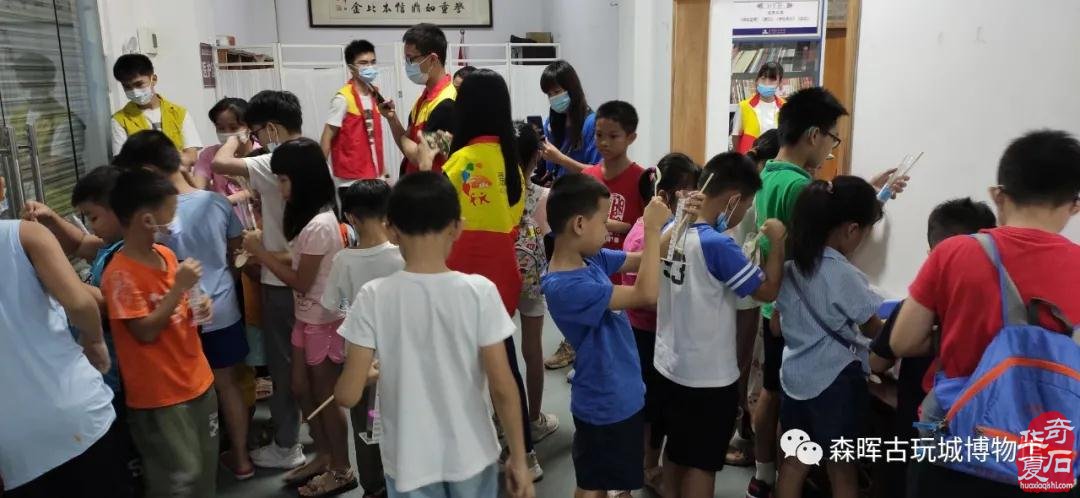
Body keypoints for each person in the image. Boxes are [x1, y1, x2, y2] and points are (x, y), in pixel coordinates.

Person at [891, 130, 1080, 498]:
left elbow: (903, 341)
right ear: (1074, 205)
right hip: (1047, 458)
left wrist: (957, 331)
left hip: (956, 446)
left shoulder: (954, 253)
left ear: (998, 195)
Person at [333, 172, 535, 498]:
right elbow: (503, 386)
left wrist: (366, 375)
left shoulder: (372, 296)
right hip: (473, 455)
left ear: (391, 229)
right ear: (457, 227)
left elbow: (346, 395)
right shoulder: (480, 292)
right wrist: (520, 459)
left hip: (408, 463)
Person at [747, 87, 906, 498]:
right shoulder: (801, 188)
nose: (831, 149)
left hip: (786, 321)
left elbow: (824, 216)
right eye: (832, 138)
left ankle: (762, 476)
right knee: (842, 465)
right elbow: (873, 327)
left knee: (789, 443)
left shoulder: (769, 175)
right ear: (814, 134)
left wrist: (872, 193)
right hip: (829, 369)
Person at [417, 68, 542, 478]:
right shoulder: (511, 164)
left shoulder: (460, 161)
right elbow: (511, 219)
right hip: (500, 279)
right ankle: (524, 452)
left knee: (457, 370)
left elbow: (430, 214)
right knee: (504, 365)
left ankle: (463, 455)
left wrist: (426, 162)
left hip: (457, 276)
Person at [113, 130, 254, 480]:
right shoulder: (217, 202)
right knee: (227, 385)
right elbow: (236, 253)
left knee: (185, 394)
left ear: (147, 171)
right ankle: (241, 460)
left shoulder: (149, 215)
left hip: (174, 319)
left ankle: (193, 464)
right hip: (221, 307)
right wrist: (223, 282)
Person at [655, 152, 786, 498]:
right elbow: (767, 290)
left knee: (676, 450)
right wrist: (777, 244)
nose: (744, 214)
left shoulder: (673, 229)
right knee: (702, 463)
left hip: (670, 364)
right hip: (708, 378)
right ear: (732, 199)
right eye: (747, 205)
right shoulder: (720, 246)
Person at [542, 173, 678, 498]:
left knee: (610, 478)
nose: (608, 230)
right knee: (593, 485)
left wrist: (682, 220)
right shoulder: (566, 286)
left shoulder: (589, 260)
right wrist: (651, 228)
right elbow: (645, 293)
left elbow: (642, 259)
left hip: (620, 392)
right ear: (579, 224)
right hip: (603, 402)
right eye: (603, 222)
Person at [0, 176, 129, 497]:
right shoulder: (24, 234)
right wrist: (94, 343)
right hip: (76, 413)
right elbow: (81, 303)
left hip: (14, 444)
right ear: (2, 187)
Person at [242, 138, 356, 496]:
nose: (279, 188)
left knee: (325, 397)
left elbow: (301, 281)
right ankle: (324, 454)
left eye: (283, 179)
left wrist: (260, 253)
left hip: (324, 321)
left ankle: (341, 468)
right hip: (307, 319)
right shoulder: (309, 221)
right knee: (300, 388)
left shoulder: (321, 223)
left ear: (303, 179)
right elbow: (298, 263)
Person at [100, 168, 218, 497]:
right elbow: (145, 332)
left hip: (197, 380)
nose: (175, 218)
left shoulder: (165, 255)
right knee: (178, 479)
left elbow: (182, 306)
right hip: (160, 397)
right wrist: (178, 288)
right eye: (171, 211)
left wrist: (200, 303)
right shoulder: (120, 275)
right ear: (147, 219)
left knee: (205, 473)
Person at [868, 197, 996, 498]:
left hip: (915, 433)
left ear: (932, 256)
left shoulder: (913, 310)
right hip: (978, 440)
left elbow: (876, 363)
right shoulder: (1000, 314)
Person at [211, 90, 307, 473]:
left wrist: (236, 139)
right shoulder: (310, 153)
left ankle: (286, 444)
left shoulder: (274, 159)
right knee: (305, 362)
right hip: (303, 269)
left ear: (269, 128)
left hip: (280, 276)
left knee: (283, 365)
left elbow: (219, 163)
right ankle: (308, 435)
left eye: (254, 131)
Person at [772, 177, 885, 498]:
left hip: (794, 379)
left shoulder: (790, 268)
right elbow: (874, 329)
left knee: (794, 462)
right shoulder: (844, 274)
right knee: (842, 469)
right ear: (851, 229)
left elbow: (776, 327)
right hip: (835, 383)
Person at [546, 100, 646, 372]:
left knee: (618, 340)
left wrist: (621, 228)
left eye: (613, 136)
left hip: (620, 270)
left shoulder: (641, 178)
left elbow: (643, 228)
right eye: (599, 135)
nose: (603, 143)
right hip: (590, 274)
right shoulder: (588, 177)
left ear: (631, 137)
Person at [319, 179, 404, 498]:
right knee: (403, 423)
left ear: (351, 218)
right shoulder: (404, 254)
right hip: (403, 361)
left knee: (369, 427)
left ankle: (374, 486)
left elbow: (333, 305)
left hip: (363, 367)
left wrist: (351, 307)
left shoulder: (344, 260)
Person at [622, 152, 700, 491]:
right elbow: (647, 289)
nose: (694, 199)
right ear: (665, 196)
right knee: (651, 407)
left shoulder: (662, 229)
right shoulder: (646, 235)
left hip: (657, 331)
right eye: (688, 192)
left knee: (657, 405)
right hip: (646, 332)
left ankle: (648, 461)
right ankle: (647, 465)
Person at [728, 128, 781, 467]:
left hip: (736, 285)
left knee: (740, 362)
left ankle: (739, 428)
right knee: (741, 364)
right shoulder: (758, 192)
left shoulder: (747, 184)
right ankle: (738, 431)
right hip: (746, 290)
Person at [511, 121, 560, 447]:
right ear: (536, 156)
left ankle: (501, 420)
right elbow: (550, 238)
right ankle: (533, 418)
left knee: (498, 352)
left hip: (498, 278)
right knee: (532, 350)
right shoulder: (544, 196)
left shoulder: (495, 194)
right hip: (532, 281)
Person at [379, 23, 456, 176]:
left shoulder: (447, 104)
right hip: (416, 185)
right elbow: (409, 149)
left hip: (434, 188)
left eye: (411, 59)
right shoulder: (424, 99)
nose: (408, 66)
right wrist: (392, 119)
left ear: (432, 59)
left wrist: (404, 139)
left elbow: (421, 158)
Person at [110, 53, 201, 166]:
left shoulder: (179, 113)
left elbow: (191, 158)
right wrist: (173, 157)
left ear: (153, 79)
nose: (134, 91)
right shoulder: (119, 120)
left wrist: (147, 160)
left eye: (139, 84)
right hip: (142, 178)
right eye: (127, 87)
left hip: (179, 176)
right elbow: (122, 164)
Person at [321, 39, 385, 189]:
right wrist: (319, 175)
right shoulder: (343, 98)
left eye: (373, 62)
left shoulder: (375, 94)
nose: (369, 67)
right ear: (351, 67)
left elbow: (372, 138)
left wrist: (383, 172)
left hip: (375, 175)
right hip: (350, 180)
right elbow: (326, 137)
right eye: (363, 63)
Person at [537, 60, 601, 181]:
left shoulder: (592, 124)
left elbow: (598, 174)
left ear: (572, 89)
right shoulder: (550, 124)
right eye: (549, 94)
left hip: (583, 192)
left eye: (557, 92)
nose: (553, 98)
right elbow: (549, 168)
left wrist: (560, 159)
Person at [193, 98, 255, 209]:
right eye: (221, 128)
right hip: (223, 216)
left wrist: (224, 201)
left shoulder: (262, 152)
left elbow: (261, 189)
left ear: (249, 126)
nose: (227, 133)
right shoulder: (209, 154)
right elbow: (198, 188)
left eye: (234, 128)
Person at [731, 62, 786, 154]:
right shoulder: (744, 106)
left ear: (780, 83)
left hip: (775, 158)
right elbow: (735, 136)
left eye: (772, 80)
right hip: (750, 158)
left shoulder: (785, 107)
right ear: (757, 80)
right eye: (763, 78)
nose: (766, 83)